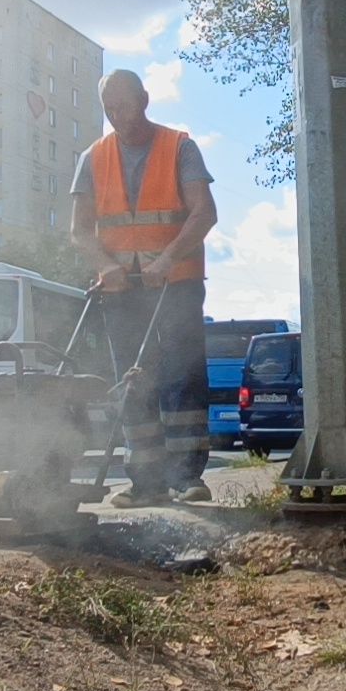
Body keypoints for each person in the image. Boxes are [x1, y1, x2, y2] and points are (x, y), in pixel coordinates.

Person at [71, 69, 219, 507]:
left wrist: (169, 259)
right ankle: (146, 480)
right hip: (121, 289)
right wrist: (104, 265)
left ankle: (187, 476)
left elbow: (204, 212)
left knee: (181, 375)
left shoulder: (179, 148)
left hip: (177, 284)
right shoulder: (93, 158)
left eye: (126, 105)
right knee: (132, 382)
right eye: (110, 109)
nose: (119, 115)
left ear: (146, 99)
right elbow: (80, 231)